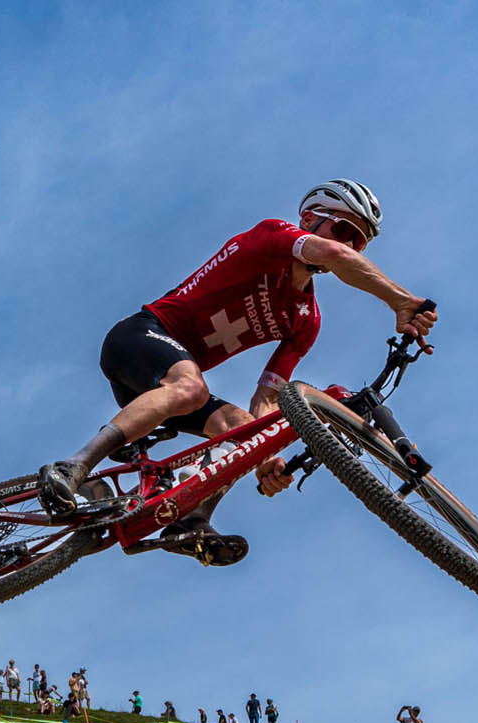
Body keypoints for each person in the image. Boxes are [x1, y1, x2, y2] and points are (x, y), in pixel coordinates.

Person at [33, 179, 435, 566]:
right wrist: (402, 301)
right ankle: (74, 467)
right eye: (345, 230)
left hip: (171, 381)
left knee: (247, 431)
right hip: (139, 338)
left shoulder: (305, 319)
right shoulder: (272, 236)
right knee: (191, 387)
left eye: (359, 242)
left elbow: (267, 398)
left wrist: (264, 457)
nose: (349, 245)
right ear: (310, 218)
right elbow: (335, 255)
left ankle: (190, 522)